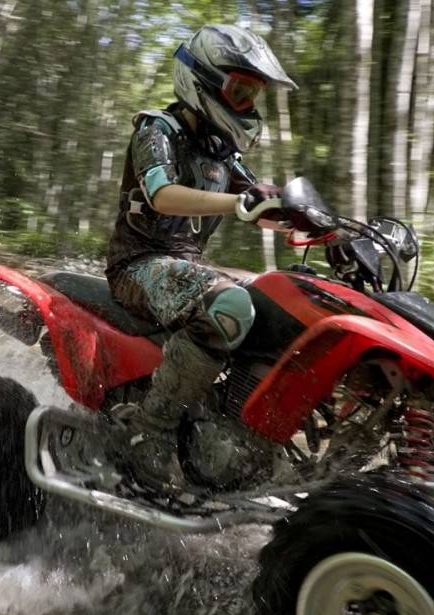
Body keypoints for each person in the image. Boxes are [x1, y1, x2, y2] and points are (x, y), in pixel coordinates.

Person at [104, 24, 296, 489]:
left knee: (284, 298)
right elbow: (163, 195)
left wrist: (310, 222)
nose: (247, 105)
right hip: (137, 265)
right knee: (229, 304)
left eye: (253, 95)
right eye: (240, 91)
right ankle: (149, 429)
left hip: (184, 267)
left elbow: (260, 202)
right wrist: (239, 204)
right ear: (204, 80)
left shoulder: (221, 151)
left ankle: (243, 433)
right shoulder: (157, 129)